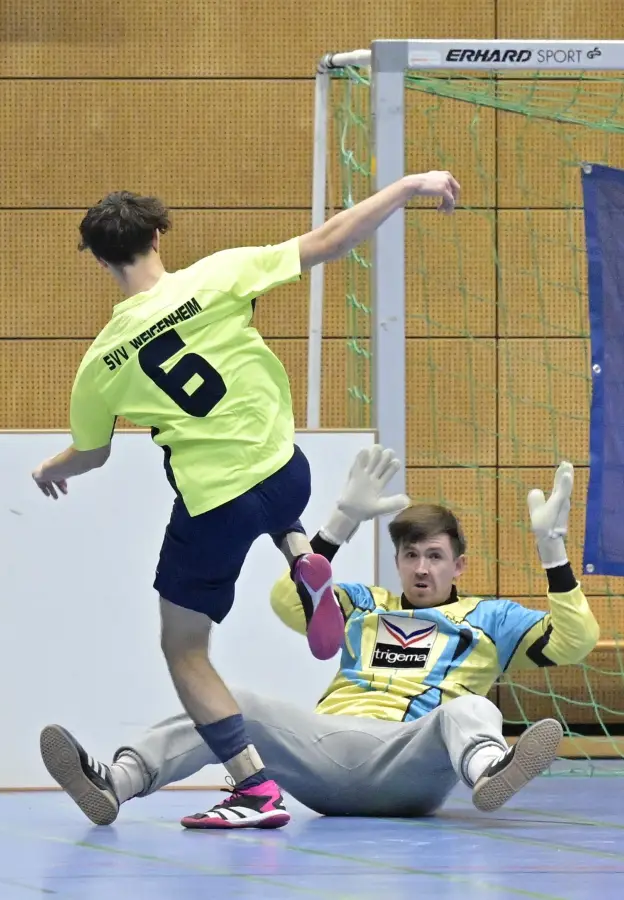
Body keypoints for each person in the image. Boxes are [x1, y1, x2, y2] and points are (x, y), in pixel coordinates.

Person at [30, 174, 460, 830]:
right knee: (269, 492)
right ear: (157, 233)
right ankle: (300, 556)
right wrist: (407, 186)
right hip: (288, 473)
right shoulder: (221, 274)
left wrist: (50, 469)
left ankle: (252, 787)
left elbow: (92, 454)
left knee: (184, 648)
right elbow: (328, 241)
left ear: (98, 258)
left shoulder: (102, 362)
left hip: (217, 505)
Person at [39, 448, 600, 824]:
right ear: (398, 561)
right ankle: (117, 781)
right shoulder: (364, 603)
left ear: (460, 566)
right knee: (236, 704)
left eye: (435, 557)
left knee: (468, 708)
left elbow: (574, 642)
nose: (421, 569)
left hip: (411, 762)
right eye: (411, 556)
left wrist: (554, 553)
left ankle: (489, 771)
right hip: (325, 754)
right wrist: (338, 525)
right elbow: (290, 600)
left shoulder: (491, 618)